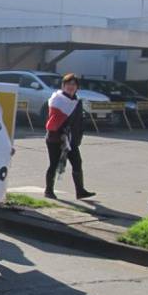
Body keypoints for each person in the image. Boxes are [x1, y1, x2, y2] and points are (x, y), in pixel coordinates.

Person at [45, 73, 95, 201]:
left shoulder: (77, 101)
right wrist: (62, 134)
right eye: (68, 84)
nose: (71, 87)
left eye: (74, 84)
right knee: (54, 164)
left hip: (71, 139)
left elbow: (79, 121)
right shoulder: (57, 100)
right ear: (63, 86)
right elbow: (53, 122)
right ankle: (49, 191)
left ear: (77, 87)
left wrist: (78, 137)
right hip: (56, 138)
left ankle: (80, 191)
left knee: (77, 162)